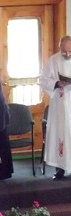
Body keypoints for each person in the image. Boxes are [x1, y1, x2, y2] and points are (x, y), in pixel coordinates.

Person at [39, 35, 71, 180]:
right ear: (60, 48)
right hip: (59, 103)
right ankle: (60, 168)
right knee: (61, 133)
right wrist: (57, 84)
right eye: (65, 52)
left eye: (70, 51)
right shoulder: (53, 60)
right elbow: (43, 79)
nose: (68, 54)